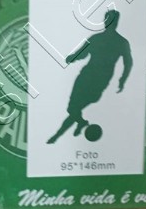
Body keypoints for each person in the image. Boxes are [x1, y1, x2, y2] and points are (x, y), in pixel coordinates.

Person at [47, 10, 132, 144]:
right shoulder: (98, 39)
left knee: (73, 108)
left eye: (110, 20)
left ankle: (64, 133)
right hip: (86, 76)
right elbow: (82, 54)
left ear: (115, 22)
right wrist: (71, 58)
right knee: (74, 108)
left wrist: (122, 80)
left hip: (98, 81)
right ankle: (69, 130)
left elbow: (128, 63)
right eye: (107, 20)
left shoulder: (120, 42)